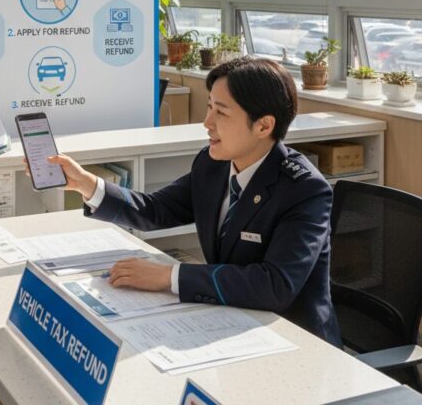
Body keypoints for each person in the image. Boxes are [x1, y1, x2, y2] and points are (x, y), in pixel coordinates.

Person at [49, 56, 342, 346]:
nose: (207, 123)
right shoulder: (212, 165)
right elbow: (157, 210)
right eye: (209, 108)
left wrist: (169, 276)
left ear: (263, 126)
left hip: (294, 340)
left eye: (221, 113)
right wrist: (88, 185)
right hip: (231, 321)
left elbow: (274, 285)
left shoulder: (304, 190)